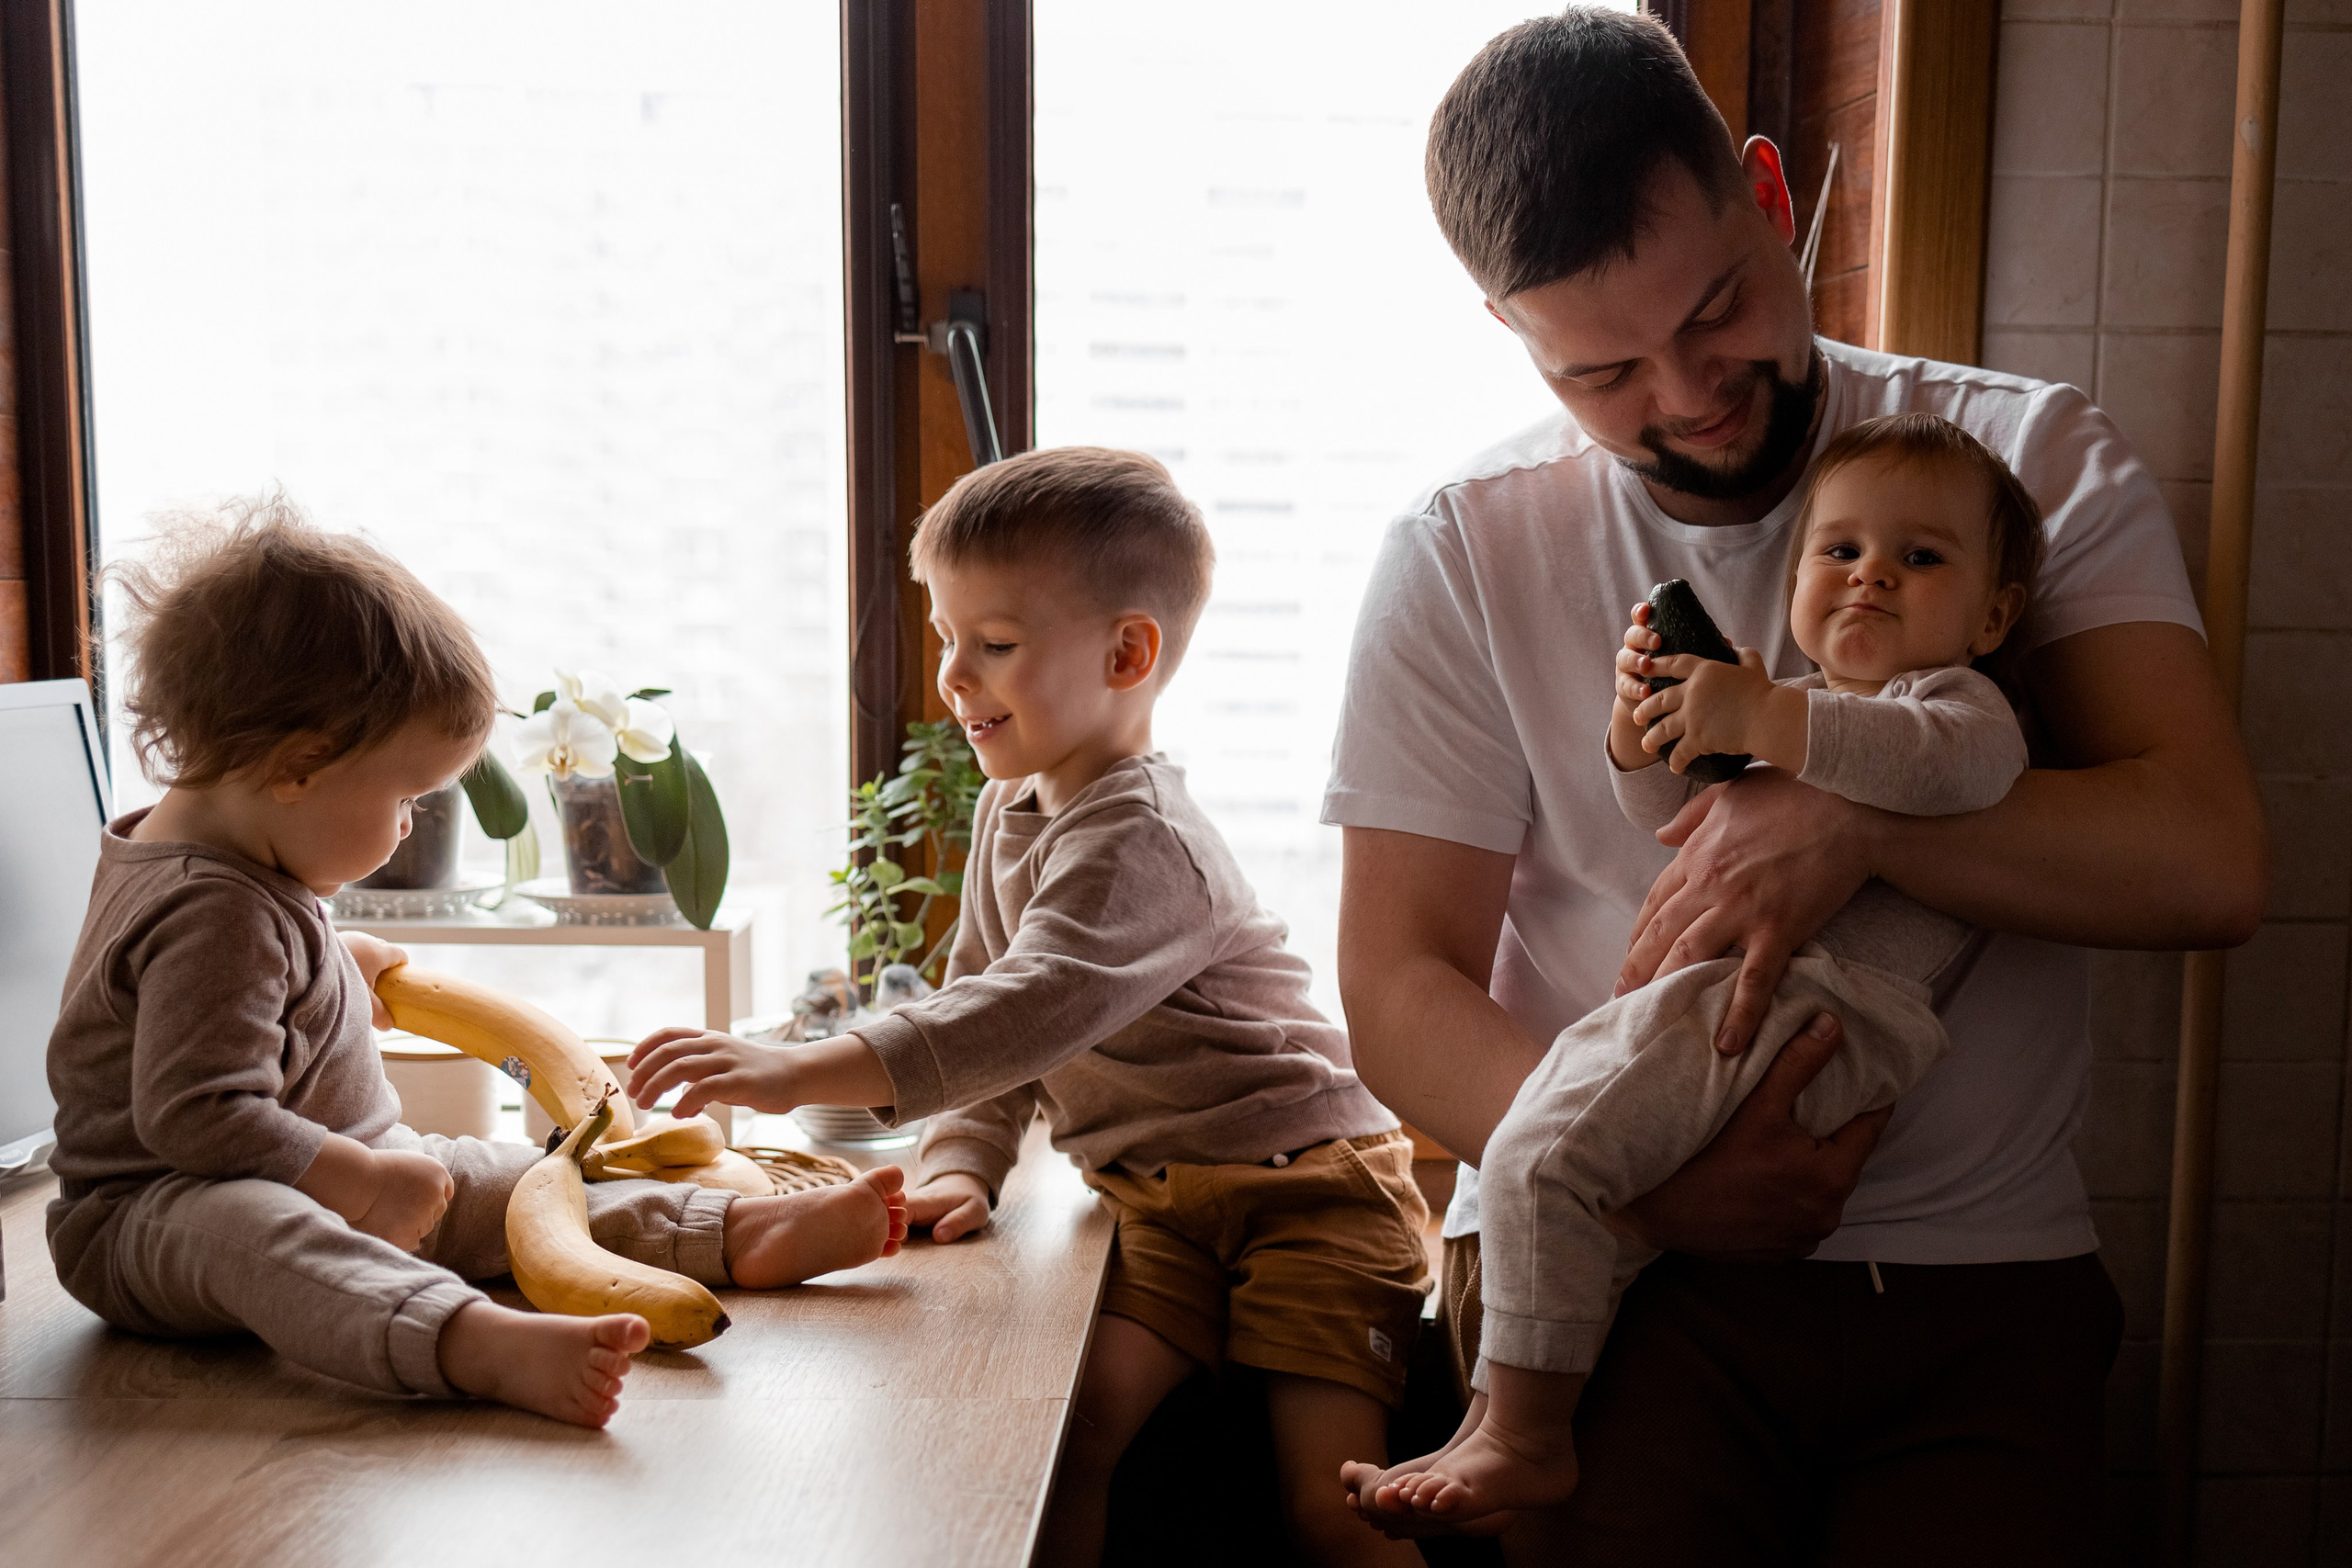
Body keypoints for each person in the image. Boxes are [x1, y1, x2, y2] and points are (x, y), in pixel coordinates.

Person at [1325, 10, 2263, 1561]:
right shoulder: (1462, 546)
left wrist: (1855, 814)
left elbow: (2208, 860)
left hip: (1977, 1277)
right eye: (1603, 371)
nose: (1689, 395)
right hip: (1605, 1282)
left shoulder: (2024, 462)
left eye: (1720, 312)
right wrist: (1647, 1189)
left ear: (1770, 194)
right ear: (1510, 329)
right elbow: (1397, 988)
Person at [627, 446, 1430, 1568]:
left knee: (1330, 1510)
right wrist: (964, 1163)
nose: (954, 677)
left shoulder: (1141, 835)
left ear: (1126, 654)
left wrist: (800, 1068)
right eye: (945, 637)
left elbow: (1023, 1010)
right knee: (1071, 1439)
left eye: (994, 645)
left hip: (1310, 1191)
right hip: (1160, 1201)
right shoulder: (1009, 809)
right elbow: (980, 997)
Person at [45, 498, 908, 1430]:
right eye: (405, 796)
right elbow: (196, 1116)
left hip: (356, 1164)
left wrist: (330, 969)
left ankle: (728, 1231)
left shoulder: (221, 867)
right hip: (157, 1215)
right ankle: (467, 1342)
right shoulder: (214, 911)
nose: (410, 823)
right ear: (297, 767)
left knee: (523, 1183)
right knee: (261, 1232)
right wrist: (358, 1182)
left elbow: (220, 997)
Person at [1355, 412, 2044, 1523]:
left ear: (1992, 616)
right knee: (1560, 1175)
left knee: (1541, 1157)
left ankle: (1527, 1439)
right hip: (1739, 1011)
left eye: (1919, 559)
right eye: (1840, 550)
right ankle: (1491, 1422)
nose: (1870, 576)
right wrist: (1645, 732)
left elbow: (1942, 770)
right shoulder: (1796, 707)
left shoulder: (1956, 705)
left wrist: (1764, 714)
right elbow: (1672, 815)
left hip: (1815, 1018)